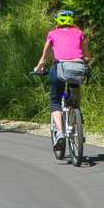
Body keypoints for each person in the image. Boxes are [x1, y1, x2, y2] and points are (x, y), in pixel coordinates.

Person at [28, 9, 89, 155]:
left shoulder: (52, 34)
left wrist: (38, 68)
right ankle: (75, 118)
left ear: (57, 21)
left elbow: (44, 58)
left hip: (60, 68)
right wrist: (83, 61)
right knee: (75, 90)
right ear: (72, 21)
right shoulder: (80, 33)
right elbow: (87, 56)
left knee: (55, 100)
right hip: (76, 69)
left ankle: (60, 133)